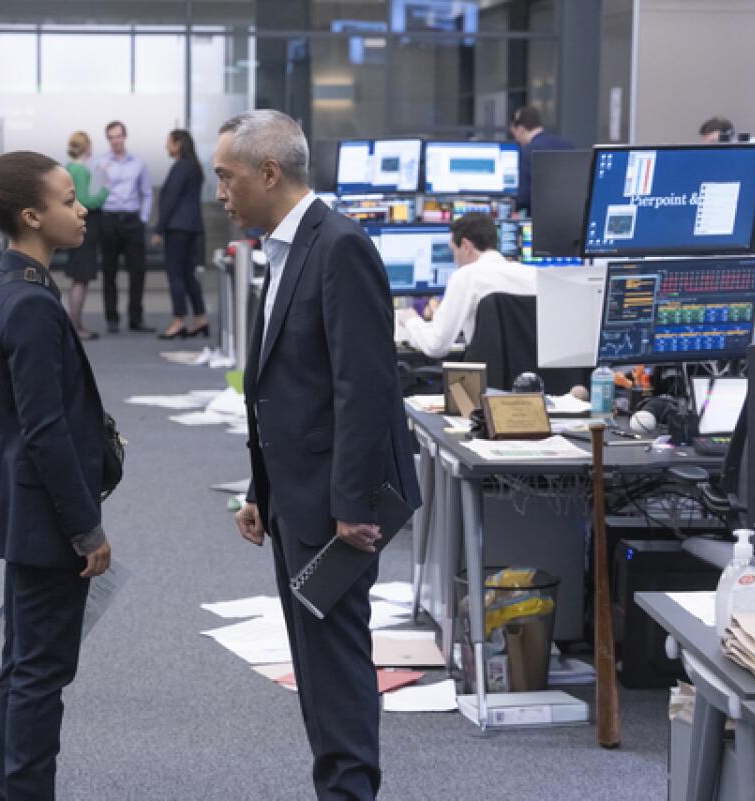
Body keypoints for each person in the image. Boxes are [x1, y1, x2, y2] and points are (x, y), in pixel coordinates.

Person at [217, 110, 421, 801]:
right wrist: (260, 488)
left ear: (268, 172)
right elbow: (289, 383)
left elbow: (363, 385)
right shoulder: (284, 248)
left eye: (227, 176)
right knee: (315, 665)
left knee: (334, 668)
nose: (220, 191)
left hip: (336, 506)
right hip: (295, 495)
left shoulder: (338, 246)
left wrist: (354, 506)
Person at [0, 151, 112, 801]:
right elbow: (44, 429)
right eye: (67, 199)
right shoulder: (30, 303)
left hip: (23, 505)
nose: (81, 210)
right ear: (31, 215)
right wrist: (87, 529)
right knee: (39, 674)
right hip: (46, 513)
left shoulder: (11, 285)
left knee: (22, 666)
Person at [395, 212, 536, 359]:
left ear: (465, 245)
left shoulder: (466, 276)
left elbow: (436, 346)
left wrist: (411, 320)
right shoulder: (532, 275)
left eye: (453, 250)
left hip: (486, 379)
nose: (454, 259)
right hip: (535, 378)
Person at [95, 120, 154, 333]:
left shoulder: (138, 163)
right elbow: (93, 192)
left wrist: (144, 218)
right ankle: (112, 318)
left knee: (137, 271)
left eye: (118, 136)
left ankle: (135, 318)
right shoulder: (100, 162)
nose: (115, 141)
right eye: (111, 137)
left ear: (124, 137)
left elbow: (147, 192)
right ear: (108, 139)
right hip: (109, 219)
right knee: (109, 272)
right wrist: (100, 175)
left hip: (132, 220)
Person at [152, 129, 208, 340]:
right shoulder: (195, 167)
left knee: (175, 275)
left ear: (178, 144)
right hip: (193, 227)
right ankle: (200, 318)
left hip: (177, 228)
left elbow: (170, 201)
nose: (166, 146)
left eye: (169, 142)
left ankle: (178, 321)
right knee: (188, 274)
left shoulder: (180, 168)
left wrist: (159, 229)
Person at [64, 131, 109, 341]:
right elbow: (86, 202)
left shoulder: (68, 167)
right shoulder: (80, 170)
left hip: (72, 226)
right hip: (84, 226)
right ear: (86, 147)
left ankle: (76, 324)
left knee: (78, 277)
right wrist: (105, 192)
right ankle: (75, 326)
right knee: (81, 278)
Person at [509, 105, 573, 214]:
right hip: (571, 215)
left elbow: (524, 197)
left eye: (514, 133)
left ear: (520, 130)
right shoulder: (567, 145)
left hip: (540, 219)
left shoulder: (528, 151)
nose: (516, 139)